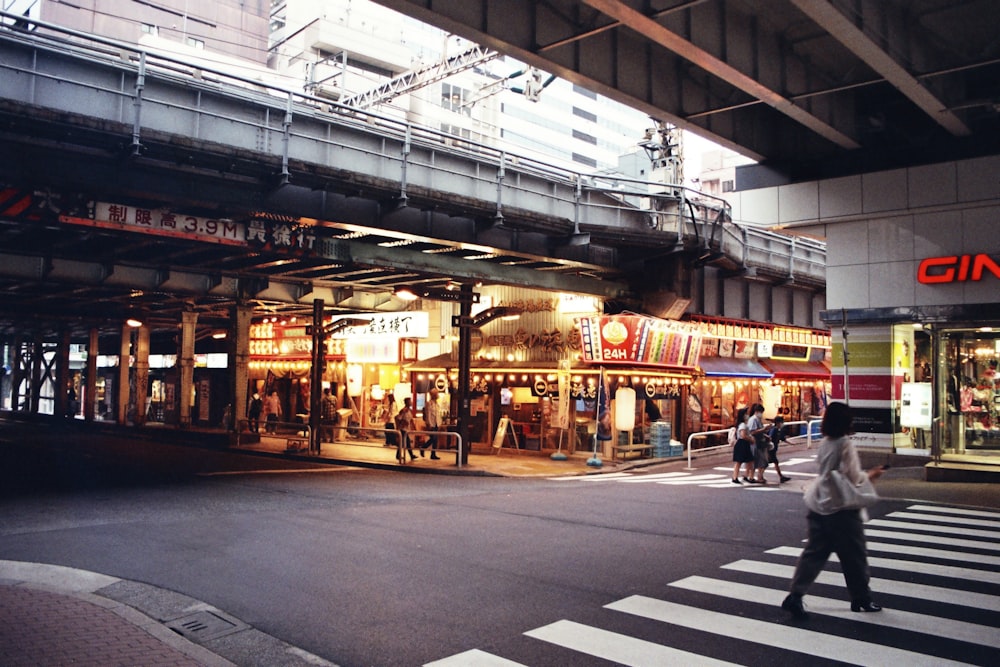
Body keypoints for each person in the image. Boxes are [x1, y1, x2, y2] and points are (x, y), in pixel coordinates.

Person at [781, 401, 887, 620]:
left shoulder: (825, 442)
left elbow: (826, 470)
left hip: (819, 504)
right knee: (854, 555)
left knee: (813, 554)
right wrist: (873, 475)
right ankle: (861, 598)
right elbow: (854, 477)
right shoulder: (844, 443)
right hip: (842, 509)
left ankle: (795, 595)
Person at [765, 415, 792, 483]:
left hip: (772, 449)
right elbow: (770, 438)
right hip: (771, 449)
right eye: (781, 422)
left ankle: (757, 474)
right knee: (773, 462)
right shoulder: (774, 429)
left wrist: (791, 443)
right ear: (778, 423)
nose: (782, 424)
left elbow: (782, 438)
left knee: (767, 463)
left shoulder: (778, 430)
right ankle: (781, 477)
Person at [746, 403, 768, 483]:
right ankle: (755, 477)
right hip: (755, 443)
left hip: (759, 442)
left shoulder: (757, 419)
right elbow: (752, 432)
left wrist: (765, 434)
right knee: (759, 460)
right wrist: (763, 430)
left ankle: (757, 476)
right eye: (761, 412)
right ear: (757, 411)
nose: (761, 414)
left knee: (760, 461)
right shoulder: (753, 419)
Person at [421, 388, 442, 459]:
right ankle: (424, 447)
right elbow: (428, 414)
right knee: (433, 438)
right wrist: (429, 423)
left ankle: (433, 453)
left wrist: (439, 423)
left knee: (435, 439)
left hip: (436, 423)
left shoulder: (437, 404)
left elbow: (438, 414)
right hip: (431, 423)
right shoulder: (429, 403)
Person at [394, 396, 416, 461]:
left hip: (406, 429)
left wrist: (413, 426)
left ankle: (400, 455)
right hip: (402, 429)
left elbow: (411, 419)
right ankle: (410, 455)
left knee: (404, 443)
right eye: (410, 402)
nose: (411, 403)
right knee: (406, 442)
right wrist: (402, 422)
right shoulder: (403, 410)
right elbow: (398, 418)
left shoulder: (409, 411)